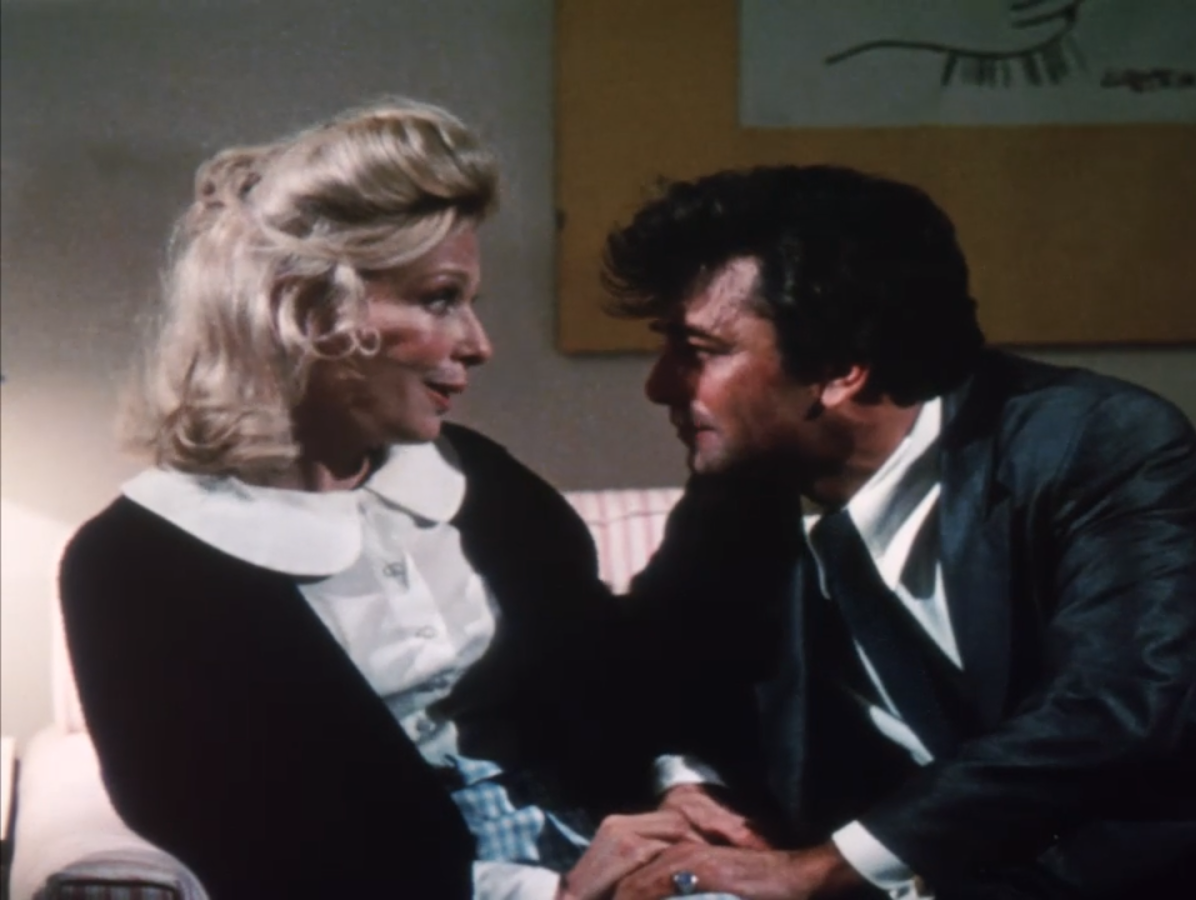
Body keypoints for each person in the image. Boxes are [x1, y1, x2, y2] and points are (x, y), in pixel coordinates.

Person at [600, 165, 1196, 899]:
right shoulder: (745, 493)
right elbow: (654, 675)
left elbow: (1108, 708)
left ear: (843, 368)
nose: (658, 386)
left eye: (699, 350)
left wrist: (818, 870)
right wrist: (690, 787)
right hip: (1018, 874)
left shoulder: (1095, 442)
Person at [58, 99, 723, 900]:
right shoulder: (133, 568)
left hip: (599, 851)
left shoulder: (481, 480)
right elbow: (243, 842)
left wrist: (676, 784)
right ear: (307, 311)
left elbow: (613, 679)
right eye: (440, 299)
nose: (478, 344)